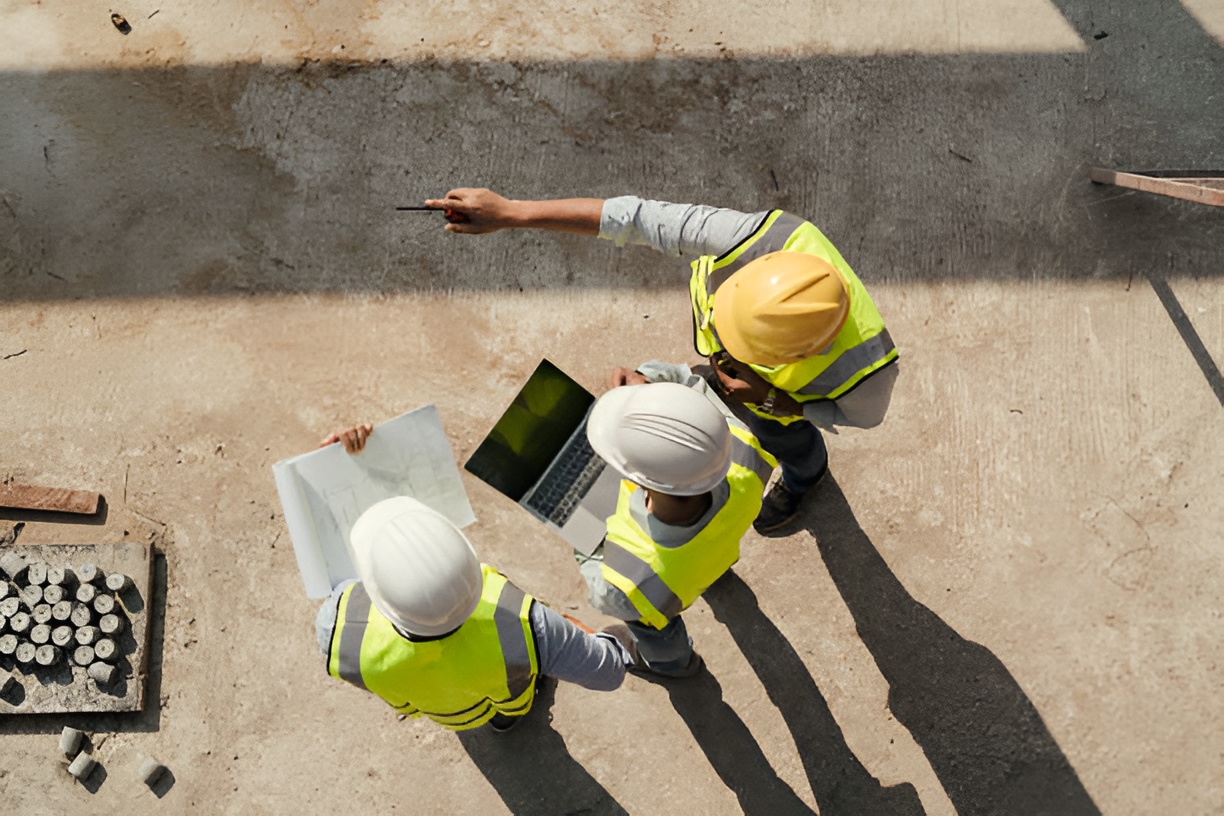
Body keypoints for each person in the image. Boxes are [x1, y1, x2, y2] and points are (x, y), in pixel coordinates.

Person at [422, 189, 899, 534]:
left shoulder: (867, 376)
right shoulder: (756, 238)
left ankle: (805, 477)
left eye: (738, 348)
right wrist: (512, 213)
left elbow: (861, 420)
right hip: (763, 387)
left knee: (792, 444)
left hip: (780, 406)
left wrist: (779, 402)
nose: (719, 352)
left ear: (798, 353)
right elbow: (634, 218)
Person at [315, 426, 633, 732]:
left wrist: (339, 467)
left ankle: (498, 721)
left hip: (445, 710)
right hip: (509, 694)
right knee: (511, 703)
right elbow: (607, 672)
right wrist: (580, 633)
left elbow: (343, 574)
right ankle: (508, 718)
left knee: (462, 706)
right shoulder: (528, 624)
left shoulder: (337, 630)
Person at [575, 374, 777, 677]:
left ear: (631, 480)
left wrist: (579, 536)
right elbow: (690, 387)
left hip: (665, 592)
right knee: (708, 559)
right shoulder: (744, 451)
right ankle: (715, 576)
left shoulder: (629, 585)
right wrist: (648, 396)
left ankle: (674, 665)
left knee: (655, 630)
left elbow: (603, 597)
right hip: (714, 554)